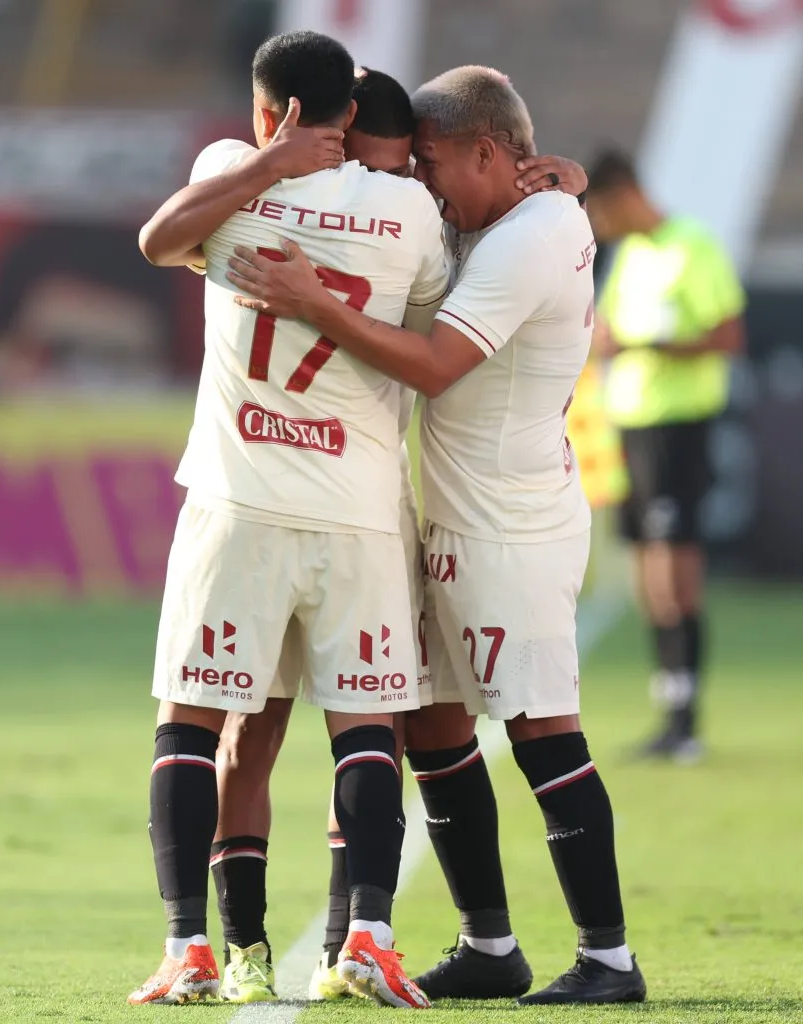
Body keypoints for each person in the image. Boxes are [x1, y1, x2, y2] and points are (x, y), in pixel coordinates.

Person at [227, 64, 647, 1007]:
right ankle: (490, 946)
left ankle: (610, 960)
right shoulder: (512, 212)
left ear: (491, 154)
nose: (421, 179)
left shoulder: (531, 237)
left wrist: (313, 300)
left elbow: (435, 366)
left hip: (512, 529)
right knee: (433, 726)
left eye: (432, 161)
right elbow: (461, 218)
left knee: (543, 731)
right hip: (456, 520)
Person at [128, 30, 454, 1009]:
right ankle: (367, 938)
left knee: (192, 720)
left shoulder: (229, 172)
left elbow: (158, 242)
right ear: (352, 118)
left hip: (239, 504)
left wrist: (269, 163)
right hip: (355, 507)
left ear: (264, 108)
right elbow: (434, 311)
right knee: (365, 725)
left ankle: (190, 946)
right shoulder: (404, 207)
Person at [587, 151, 746, 761]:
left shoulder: (692, 246)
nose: (598, 227)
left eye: (600, 210)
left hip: (678, 428)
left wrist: (642, 345)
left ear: (624, 193)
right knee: (651, 577)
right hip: (632, 429)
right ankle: (670, 715)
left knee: (676, 574)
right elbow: (612, 334)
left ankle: (686, 718)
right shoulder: (630, 258)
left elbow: (728, 335)